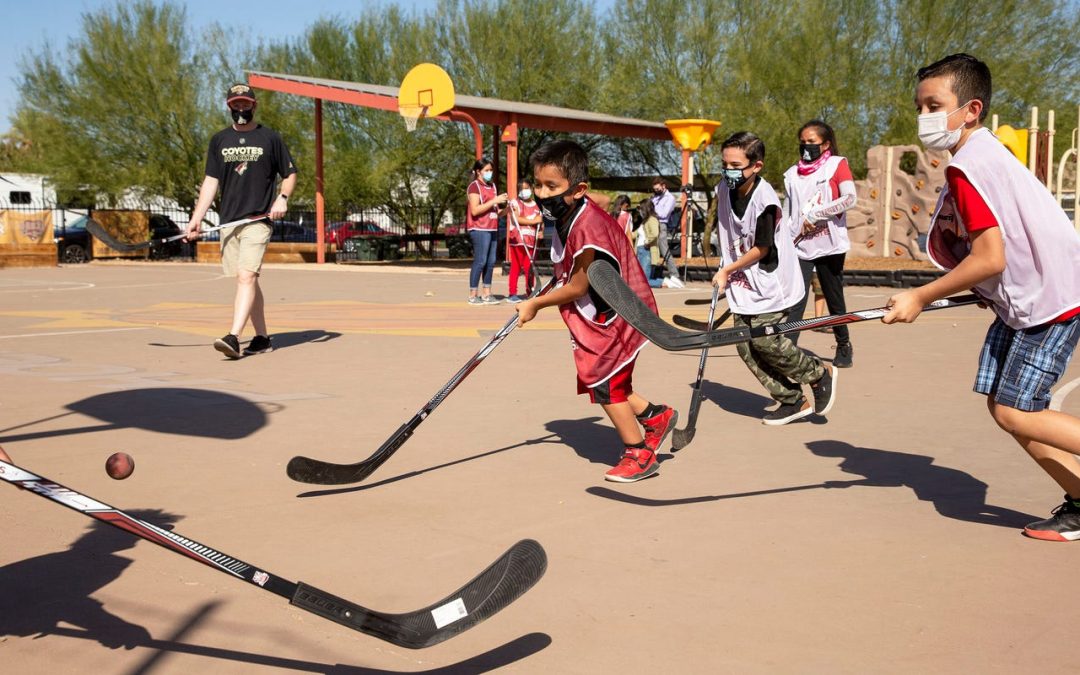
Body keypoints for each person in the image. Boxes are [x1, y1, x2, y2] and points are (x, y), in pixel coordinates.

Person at [883, 53, 1080, 542]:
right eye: (919, 105)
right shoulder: (984, 156)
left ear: (971, 109)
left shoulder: (969, 168)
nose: (924, 116)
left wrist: (920, 298)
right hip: (1027, 300)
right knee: (1004, 407)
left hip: (1051, 302)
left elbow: (990, 256)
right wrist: (986, 288)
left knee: (1018, 411)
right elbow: (1005, 248)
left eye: (935, 104)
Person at [516, 140, 677, 483]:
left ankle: (639, 454)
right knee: (611, 380)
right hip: (605, 312)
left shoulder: (587, 224)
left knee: (606, 385)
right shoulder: (570, 212)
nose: (543, 194)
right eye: (539, 185)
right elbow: (571, 272)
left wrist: (534, 304)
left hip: (616, 315)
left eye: (552, 187)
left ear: (578, 189)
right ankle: (655, 416)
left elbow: (577, 286)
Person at [711, 131, 837, 425]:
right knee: (745, 345)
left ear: (756, 166)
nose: (728, 171)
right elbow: (728, 228)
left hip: (771, 280)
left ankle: (818, 373)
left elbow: (762, 248)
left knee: (767, 342)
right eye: (724, 164)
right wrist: (725, 264)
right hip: (744, 281)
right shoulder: (723, 189)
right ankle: (792, 400)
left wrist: (728, 270)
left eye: (735, 165)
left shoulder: (764, 200)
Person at [185, 83, 296, 359]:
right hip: (229, 222)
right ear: (229, 107)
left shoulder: (270, 138)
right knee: (248, 279)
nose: (241, 108)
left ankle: (233, 337)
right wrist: (196, 219)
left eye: (246, 104)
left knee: (247, 276)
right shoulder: (219, 140)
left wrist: (282, 197)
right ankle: (261, 338)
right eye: (237, 104)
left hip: (258, 219)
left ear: (254, 105)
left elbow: (290, 173)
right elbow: (211, 182)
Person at [782, 120, 856, 367]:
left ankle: (843, 344)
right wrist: (782, 236)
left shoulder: (837, 165)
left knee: (833, 297)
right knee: (796, 299)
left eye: (812, 142)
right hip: (800, 246)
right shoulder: (792, 174)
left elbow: (849, 198)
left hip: (829, 244)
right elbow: (788, 210)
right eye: (803, 142)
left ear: (825, 144)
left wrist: (816, 214)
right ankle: (788, 349)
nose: (806, 146)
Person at [465, 158, 507, 305]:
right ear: (478, 172)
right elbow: (475, 210)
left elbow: (494, 211)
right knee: (481, 261)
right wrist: (494, 201)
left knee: (490, 262)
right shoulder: (474, 187)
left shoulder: (493, 186)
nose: (490, 173)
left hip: (492, 228)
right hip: (479, 229)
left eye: (491, 170)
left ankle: (487, 294)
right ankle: (472, 295)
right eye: (487, 170)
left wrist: (506, 210)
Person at [506, 179, 542, 303]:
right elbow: (517, 219)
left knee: (529, 268)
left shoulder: (537, 206)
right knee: (515, 267)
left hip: (531, 241)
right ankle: (512, 293)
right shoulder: (515, 203)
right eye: (521, 189)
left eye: (526, 188)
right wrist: (534, 221)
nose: (524, 191)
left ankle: (530, 291)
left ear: (531, 189)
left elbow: (540, 221)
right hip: (518, 240)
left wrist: (540, 228)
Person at [650, 177, 684, 287]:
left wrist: (653, 208)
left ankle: (675, 274)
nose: (656, 191)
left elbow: (664, 214)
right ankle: (651, 273)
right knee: (650, 249)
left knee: (664, 250)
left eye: (658, 189)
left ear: (664, 186)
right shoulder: (655, 198)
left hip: (661, 224)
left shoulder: (670, 198)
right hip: (651, 223)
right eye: (654, 189)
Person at [633, 198, 664, 289]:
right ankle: (662, 282)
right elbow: (635, 234)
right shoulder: (644, 221)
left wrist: (647, 242)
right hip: (639, 250)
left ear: (646, 208)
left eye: (641, 208)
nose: (639, 211)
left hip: (646, 251)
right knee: (640, 279)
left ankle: (664, 282)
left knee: (644, 281)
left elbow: (655, 233)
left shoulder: (652, 219)